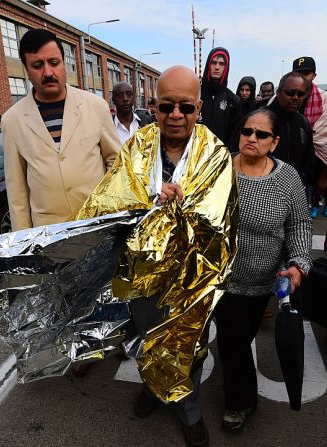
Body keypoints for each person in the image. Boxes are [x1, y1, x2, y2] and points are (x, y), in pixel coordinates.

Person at [76, 65, 237, 447]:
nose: (176, 116)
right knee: (148, 338)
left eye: (185, 107)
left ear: (199, 108)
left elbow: (217, 220)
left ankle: (189, 411)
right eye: (167, 107)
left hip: (191, 274)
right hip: (142, 271)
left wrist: (178, 208)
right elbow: (110, 198)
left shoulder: (214, 153)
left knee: (187, 345)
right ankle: (151, 389)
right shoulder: (139, 145)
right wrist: (149, 199)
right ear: (155, 106)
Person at [215, 108, 312, 430]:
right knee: (227, 342)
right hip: (214, 278)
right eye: (246, 131)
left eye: (261, 134)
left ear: (274, 142)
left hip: (258, 283)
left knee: (237, 341)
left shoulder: (287, 178)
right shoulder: (217, 168)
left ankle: (240, 401)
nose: (251, 138)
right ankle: (229, 401)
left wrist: (299, 264)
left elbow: (299, 223)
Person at [2, 29, 121, 231]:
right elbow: (17, 193)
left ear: (64, 64)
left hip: (99, 225)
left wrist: (113, 211)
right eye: (37, 66)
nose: (48, 73)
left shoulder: (95, 106)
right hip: (48, 235)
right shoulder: (12, 121)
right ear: (26, 69)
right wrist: (24, 244)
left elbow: (117, 163)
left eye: (54, 63)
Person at [292, 56, 327, 219]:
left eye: (307, 73)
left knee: (301, 214)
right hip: (288, 161)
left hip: (314, 163)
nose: (303, 78)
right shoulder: (284, 96)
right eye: (298, 73)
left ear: (314, 75)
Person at [266, 72, 317, 191]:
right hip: (265, 189)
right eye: (290, 93)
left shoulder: (303, 123)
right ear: (278, 93)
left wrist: (304, 178)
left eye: (300, 94)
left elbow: (309, 158)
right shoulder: (260, 119)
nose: (295, 97)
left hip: (294, 189)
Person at [199, 47, 242, 148]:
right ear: (208, 65)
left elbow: (234, 136)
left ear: (226, 67)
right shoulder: (195, 94)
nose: (217, 67)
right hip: (196, 155)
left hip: (221, 156)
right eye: (214, 62)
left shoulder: (233, 100)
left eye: (222, 64)